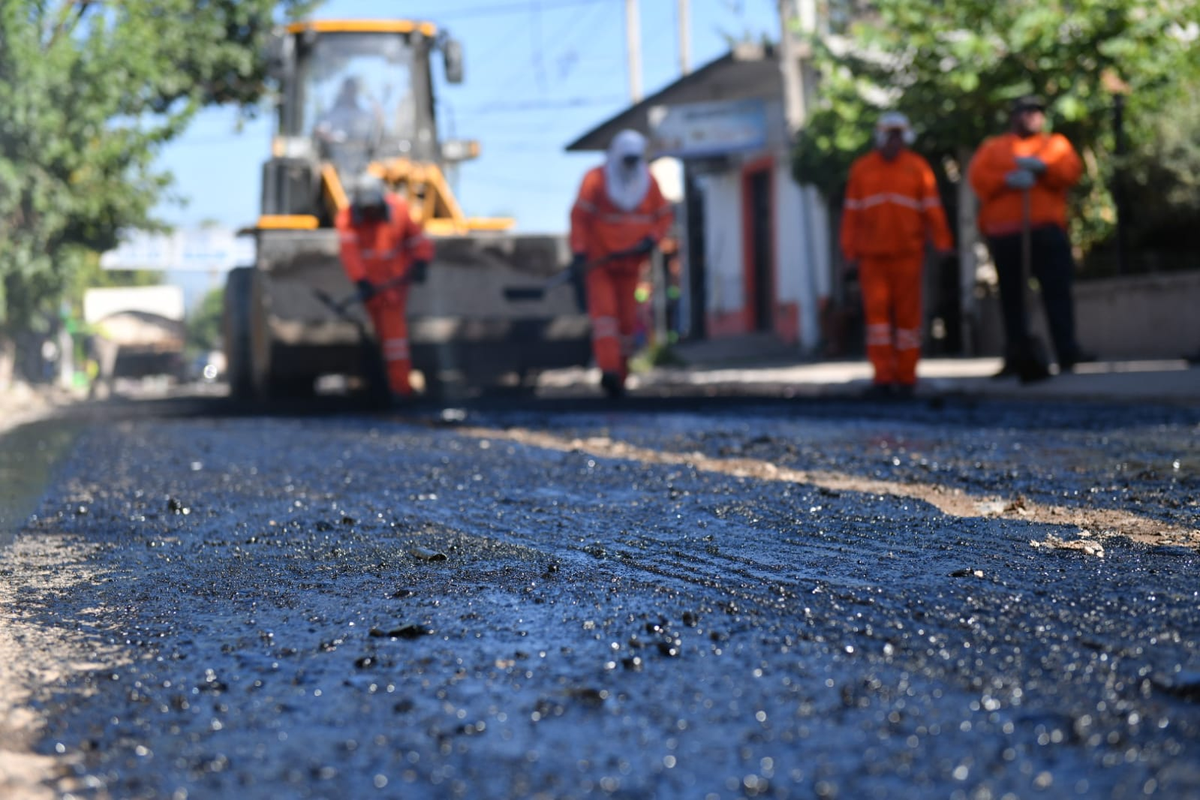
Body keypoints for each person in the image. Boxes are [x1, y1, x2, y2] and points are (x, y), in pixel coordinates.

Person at [968, 95, 1088, 379]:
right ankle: (1017, 355)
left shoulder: (1055, 144)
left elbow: (1072, 172)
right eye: (1026, 112)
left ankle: (1066, 351)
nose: (1032, 117)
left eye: (1037, 112)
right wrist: (1006, 179)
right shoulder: (994, 148)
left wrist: (1045, 169)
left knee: (1057, 294)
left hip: (1046, 232)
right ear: (1014, 116)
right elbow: (978, 179)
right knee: (1013, 299)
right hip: (1007, 235)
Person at [840, 111, 954, 398]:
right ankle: (882, 376)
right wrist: (849, 251)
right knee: (877, 320)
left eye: (898, 136)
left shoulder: (917, 168)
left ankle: (906, 376)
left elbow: (932, 208)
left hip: (908, 253)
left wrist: (943, 243)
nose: (894, 142)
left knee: (908, 319)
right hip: (872, 256)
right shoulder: (862, 169)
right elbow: (851, 214)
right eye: (889, 136)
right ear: (880, 137)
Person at [570, 129, 674, 398]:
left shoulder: (648, 182)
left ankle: (622, 376)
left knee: (627, 323)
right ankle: (609, 371)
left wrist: (652, 239)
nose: (629, 165)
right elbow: (580, 216)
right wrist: (579, 250)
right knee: (605, 319)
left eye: (634, 160)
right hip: (601, 263)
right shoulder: (595, 180)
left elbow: (663, 217)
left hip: (631, 264)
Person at [336, 173, 434, 402]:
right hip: (372, 288)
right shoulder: (347, 218)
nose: (371, 213)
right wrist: (361, 281)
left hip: (395, 286)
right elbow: (350, 254)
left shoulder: (398, 209)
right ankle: (384, 387)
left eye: (374, 208)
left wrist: (421, 262)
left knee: (394, 342)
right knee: (385, 341)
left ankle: (399, 390)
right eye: (366, 209)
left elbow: (417, 240)